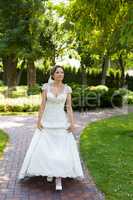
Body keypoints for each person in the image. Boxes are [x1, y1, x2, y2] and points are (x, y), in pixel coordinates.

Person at [17, 65, 85, 191]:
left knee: (60, 149)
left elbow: (69, 107)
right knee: (46, 147)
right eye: (57, 72)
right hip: (47, 121)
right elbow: (42, 105)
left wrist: (72, 123)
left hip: (61, 121)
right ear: (53, 75)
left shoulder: (67, 89)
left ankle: (58, 177)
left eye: (62, 72)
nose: (60, 74)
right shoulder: (46, 87)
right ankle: (49, 170)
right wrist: (38, 121)